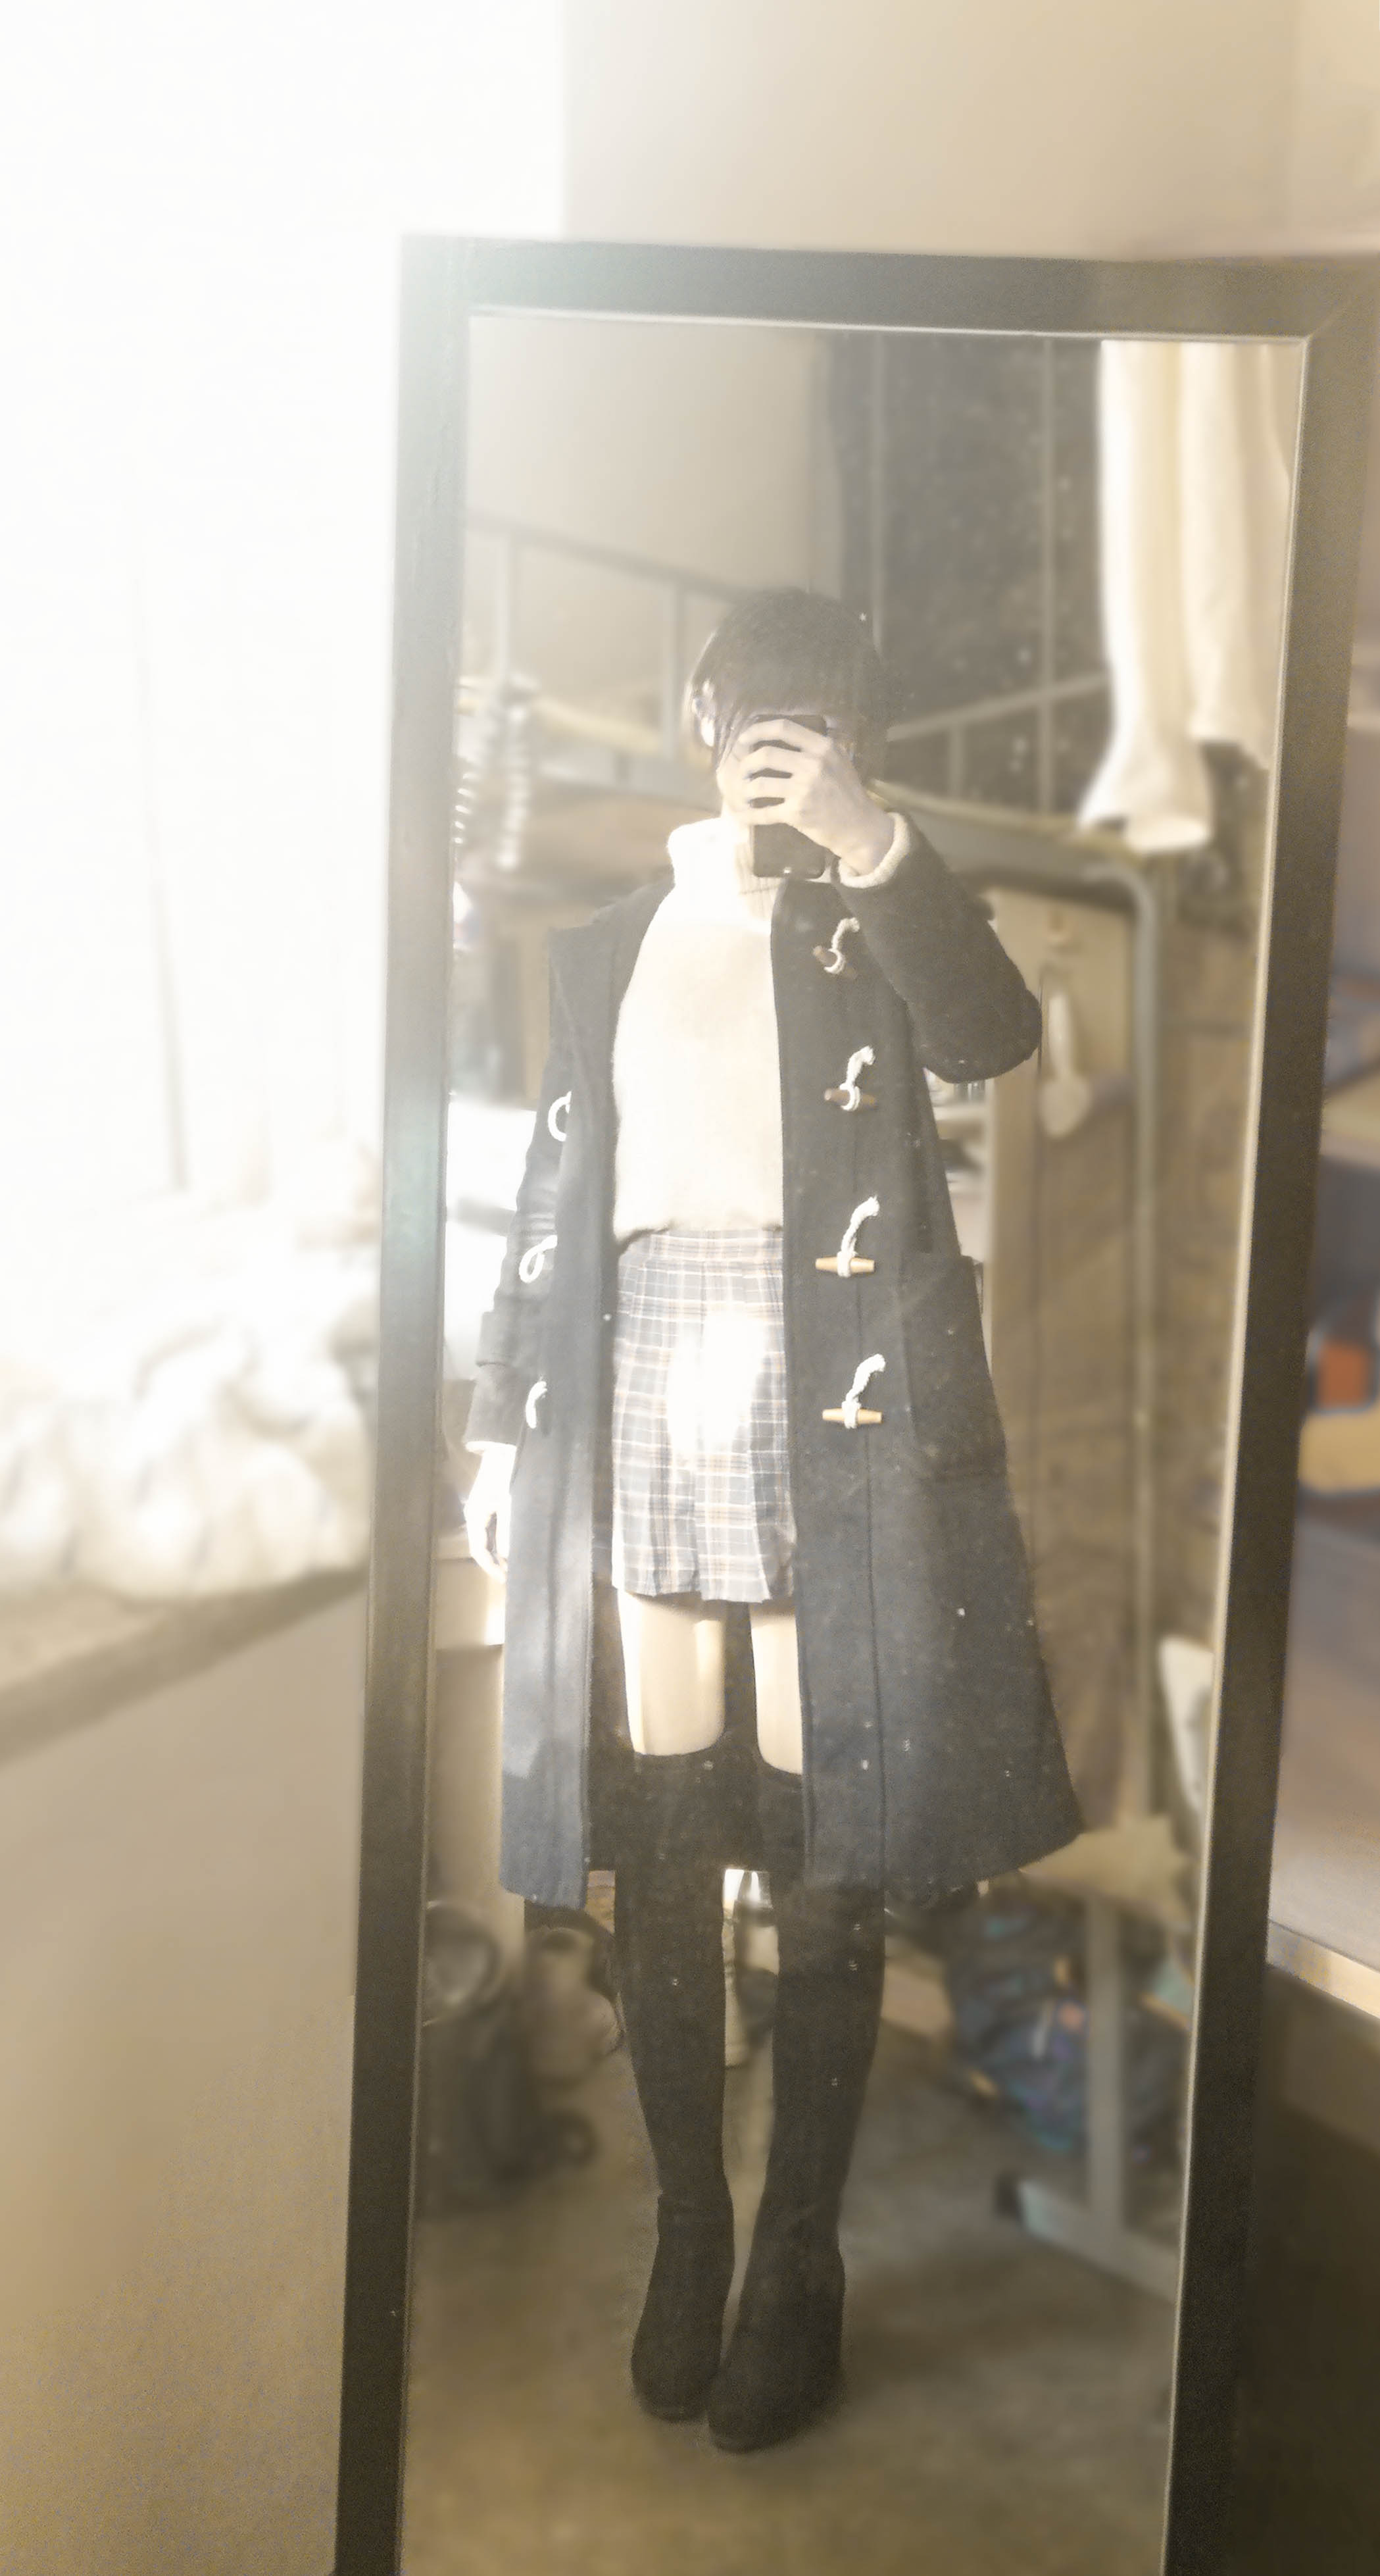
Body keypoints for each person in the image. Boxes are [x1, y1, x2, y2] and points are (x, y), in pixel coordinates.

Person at [463, 588, 1081, 2450]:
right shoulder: (608, 944)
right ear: (700, 723)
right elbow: (556, 1198)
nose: (777, 748)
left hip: (837, 1389)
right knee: (660, 1831)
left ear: (854, 740)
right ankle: (691, 2232)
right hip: (646, 1364)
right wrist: (500, 1429)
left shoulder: (871, 919)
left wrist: (871, 839)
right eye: (753, 716)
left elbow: (993, 1035)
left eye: (818, 723)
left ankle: (796, 2258)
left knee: (829, 1825)